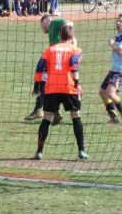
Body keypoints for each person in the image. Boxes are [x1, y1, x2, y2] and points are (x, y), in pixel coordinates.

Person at [32, 24, 88, 160]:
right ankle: (81, 150)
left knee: (47, 118)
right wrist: (78, 84)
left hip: (52, 88)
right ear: (72, 37)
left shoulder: (49, 50)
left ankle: (39, 152)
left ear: (60, 36)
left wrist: (36, 88)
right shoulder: (76, 50)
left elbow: (40, 68)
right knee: (76, 116)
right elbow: (73, 66)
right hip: (69, 87)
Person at [25, 14, 76, 121]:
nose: (42, 29)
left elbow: (70, 23)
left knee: (43, 80)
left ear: (44, 21)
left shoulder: (53, 23)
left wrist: (70, 39)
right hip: (59, 59)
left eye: (41, 25)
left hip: (55, 58)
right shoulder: (55, 31)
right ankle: (55, 111)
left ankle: (40, 109)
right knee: (51, 83)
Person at [99, 14, 122, 124]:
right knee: (102, 92)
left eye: (121, 21)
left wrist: (112, 45)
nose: (118, 23)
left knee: (110, 93)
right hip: (115, 69)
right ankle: (114, 117)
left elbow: (121, 50)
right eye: (117, 21)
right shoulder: (118, 36)